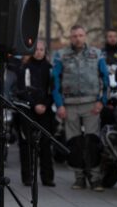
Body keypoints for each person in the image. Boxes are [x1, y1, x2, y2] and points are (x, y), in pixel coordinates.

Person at [52, 24, 109, 191]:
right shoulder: (61, 55)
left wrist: (102, 101)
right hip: (70, 105)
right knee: (74, 142)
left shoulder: (96, 54)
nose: (78, 38)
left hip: (91, 103)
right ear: (71, 38)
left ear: (85, 36)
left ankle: (95, 178)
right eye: (75, 36)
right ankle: (79, 178)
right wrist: (59, 105)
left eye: (81, 35)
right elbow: (54, 81)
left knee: (92, 141)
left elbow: (105, 79)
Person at [17, 40, 55, 187]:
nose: (39, 52)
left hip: (45, 111)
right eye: (36, 49)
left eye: (41, 49)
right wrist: (34, 104)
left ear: (45, 51)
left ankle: (47, 177)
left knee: (46, 144)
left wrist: (45, 104)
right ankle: (28, 176)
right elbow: (22, 90)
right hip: (28, 110)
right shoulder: (25, 68)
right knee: (26, 143)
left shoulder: (50, 69)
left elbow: (53, 90)